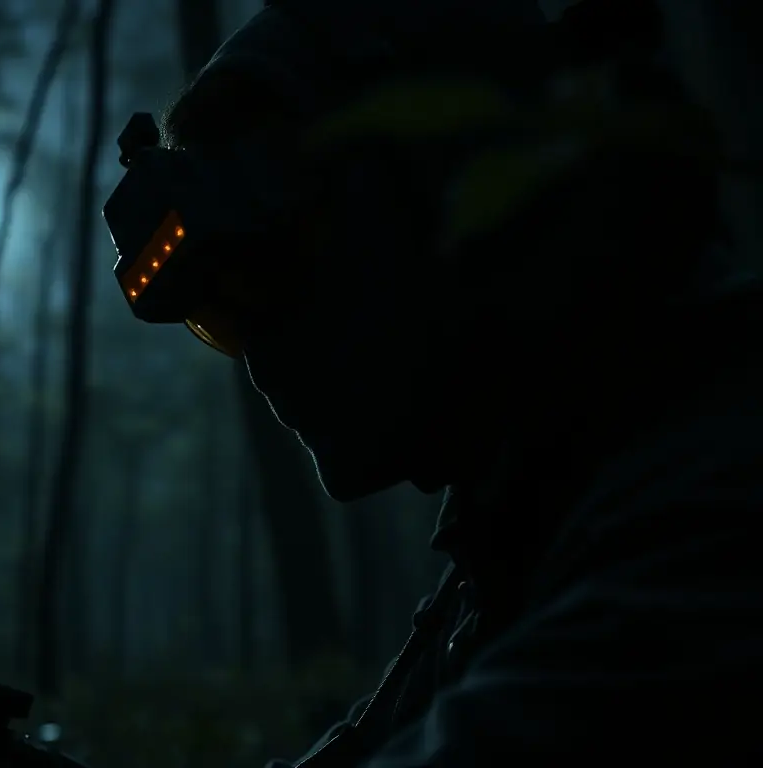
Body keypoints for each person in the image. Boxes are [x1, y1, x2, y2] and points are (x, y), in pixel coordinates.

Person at [111, 0, 763, 762]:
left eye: (273, 274)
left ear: (447, 190)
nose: (259, 359)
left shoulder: (720, 485)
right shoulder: (518, 522)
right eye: (221, 319)